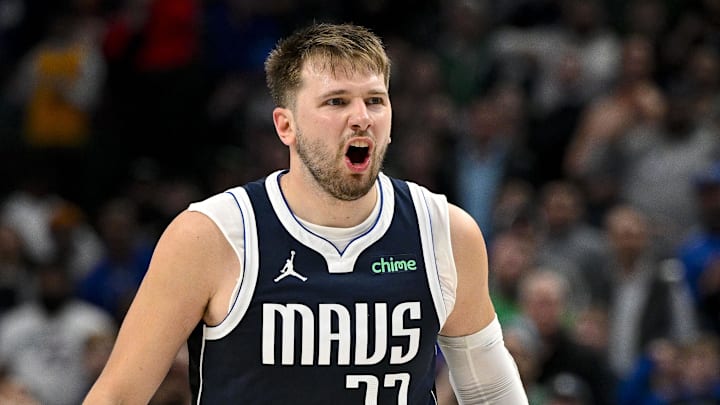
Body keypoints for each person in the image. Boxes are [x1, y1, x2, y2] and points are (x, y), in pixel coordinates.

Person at [83, 22, 528, 404]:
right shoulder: (213, 234)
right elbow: (119, 395)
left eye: (375, 100)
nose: (361, 118)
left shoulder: (444, 231)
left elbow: (489, 390)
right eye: (336, 102)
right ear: (285, 125)